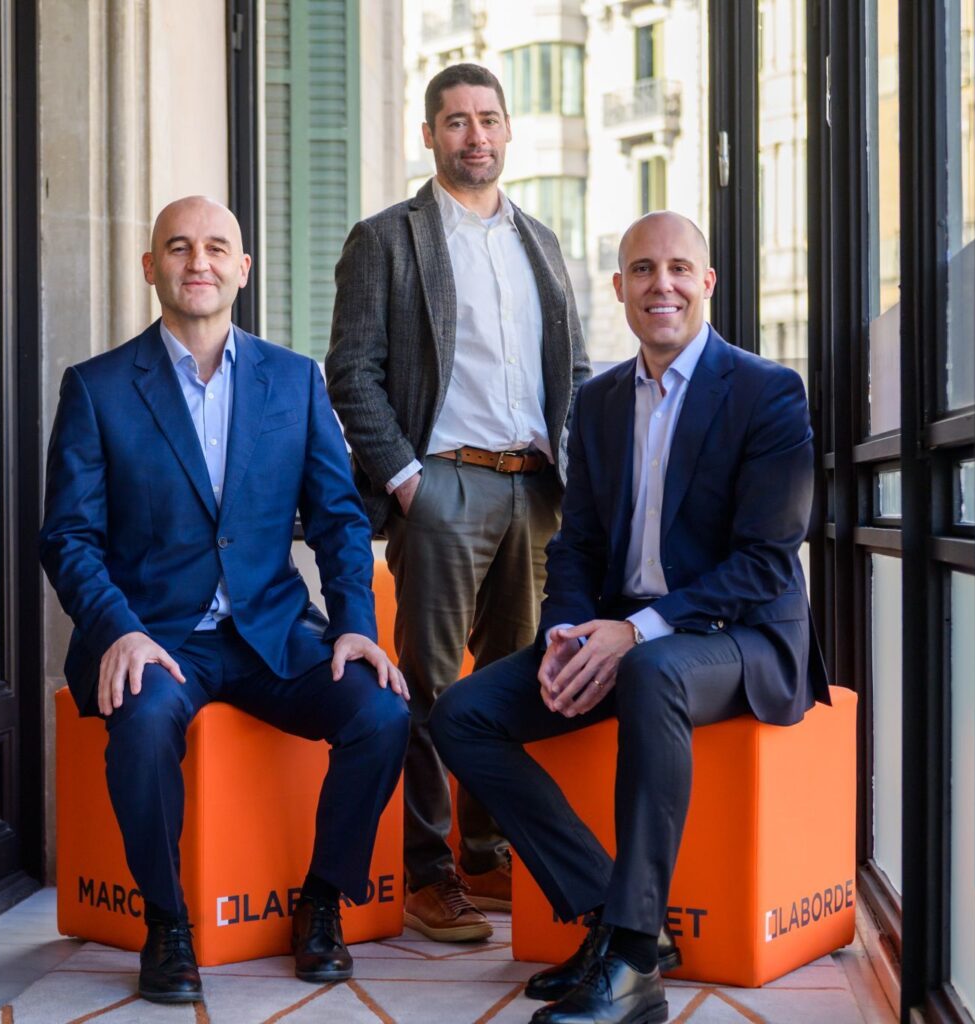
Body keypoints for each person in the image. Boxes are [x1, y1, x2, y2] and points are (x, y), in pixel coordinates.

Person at [430, 211, 830, 1024]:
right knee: (462, 714)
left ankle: (636, 960)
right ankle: (606, 917)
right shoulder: (601, 401)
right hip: (625, 639)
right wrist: (566, 635)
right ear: (619, 288)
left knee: (651, 669)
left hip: (744, 640)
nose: (662, 285)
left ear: (707, 282)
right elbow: (576, 544)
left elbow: (766, 560)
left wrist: (637, 632)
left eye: (679, 268)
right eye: (643, 270)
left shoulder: (766, 391)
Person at [39, 196, 410, 1005]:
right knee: (142, 725)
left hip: (271, 631)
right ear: (151, 268)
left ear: (243, 269)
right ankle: (167, 923)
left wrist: (355, 625)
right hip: (157, 636)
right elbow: (68, 537)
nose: (197, 261)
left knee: (383, 713)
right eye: (178, 247)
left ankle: (322, 902)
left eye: (215, 248)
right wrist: (118, 632)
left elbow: (340, 518)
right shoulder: (98, 388)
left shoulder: (294, 380)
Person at [326, 63, 590, 943]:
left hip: (535, 490)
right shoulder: (387, 239)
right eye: (456, 121)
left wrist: (573, 473)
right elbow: (351, 372)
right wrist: (409, 481)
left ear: (508, 130)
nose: (475, 136)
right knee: (431, 685)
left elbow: (573, 370)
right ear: (430, 135)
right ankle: (429, 870)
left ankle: (485, 854)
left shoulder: (539, 241)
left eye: (488, 119)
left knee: (515, 682)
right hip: (443, 485)